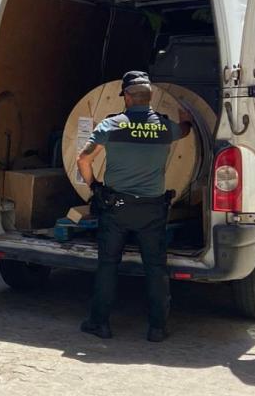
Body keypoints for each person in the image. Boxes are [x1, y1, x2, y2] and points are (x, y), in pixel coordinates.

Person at [77, 71, 193, 343]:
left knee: (108, 265)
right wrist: (186, 118)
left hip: (116, 208)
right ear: (149, 97)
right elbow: (185, 130)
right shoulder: (165, 128)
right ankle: (157, 328)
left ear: (127, 97)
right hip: (152, 209)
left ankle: (100, 324)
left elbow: (83, 159)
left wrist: (95, 187)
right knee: (155, 267)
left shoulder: (111, 126)